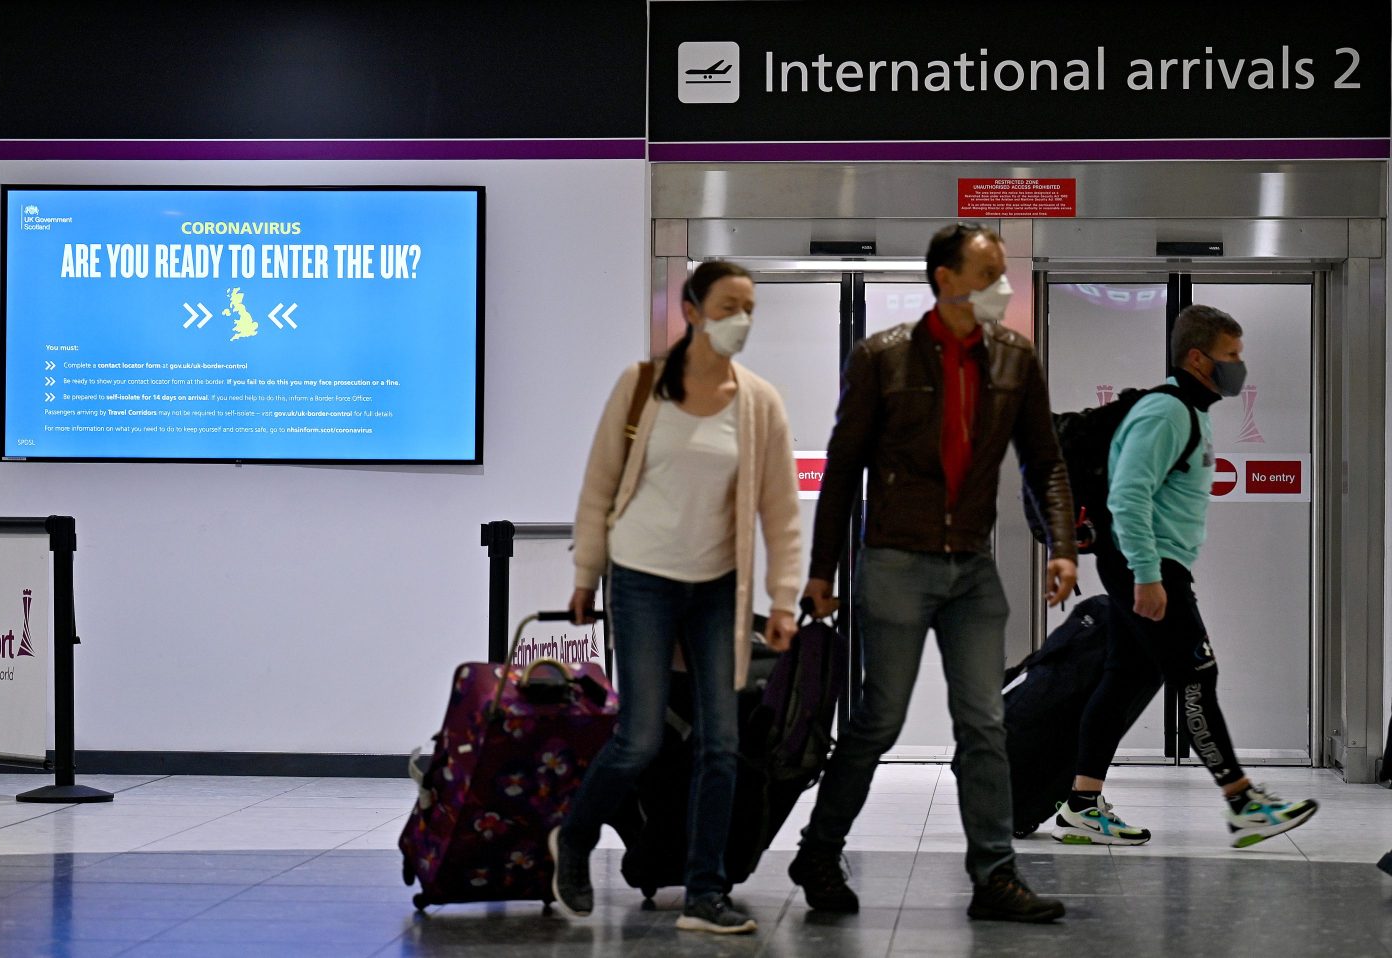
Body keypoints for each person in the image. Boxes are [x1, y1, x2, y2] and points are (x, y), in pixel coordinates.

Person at [792, 223, 1078, 923]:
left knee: (984, 722)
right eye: (989, 273)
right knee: (879, 720)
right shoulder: (883, 358)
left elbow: (1046, 459)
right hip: (895, 560)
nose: (1002, 287)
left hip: (972, 571)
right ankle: (820, 850)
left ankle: (995, 878)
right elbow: (842, 470)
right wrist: (822, 569)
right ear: (945, 279)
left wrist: (1062, 545)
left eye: (1003, 271)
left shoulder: (1014, 359)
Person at [549, 260, 803, 935]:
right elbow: (600, 484)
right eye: (727, 305)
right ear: (691, 310)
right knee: (638, 738)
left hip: (718, 586)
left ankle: (703, 893)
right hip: (640, 577)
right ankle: (572, 839)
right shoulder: (640, 389)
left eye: (749, 306)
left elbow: (780, 507)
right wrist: (586, 572)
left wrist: (784, 599)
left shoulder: (759, 403)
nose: (740, 319)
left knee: (721, 743)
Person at [1053, 304, 1318, 848]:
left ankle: (1081, 803)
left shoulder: (1191, 413)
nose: (1238, 367)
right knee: (1197, 677)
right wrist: (1147, 577)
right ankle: (1242, 802)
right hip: (1148, 567)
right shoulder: (1167, 412)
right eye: (1231, 356)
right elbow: (1126, 496)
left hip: (1149, 565)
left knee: (1125, 676)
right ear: (1197, 358)